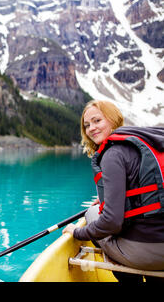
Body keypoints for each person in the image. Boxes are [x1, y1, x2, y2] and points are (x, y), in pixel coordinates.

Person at [62, 100, 164, 282]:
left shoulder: (113, 154)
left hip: (151, 253)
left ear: (113, 119)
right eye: (86, 125)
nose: (91, 128)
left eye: (97, 121)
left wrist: (77, 232)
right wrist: (108, 200)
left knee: (92, 213)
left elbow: (111, 223)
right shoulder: (143, 145)